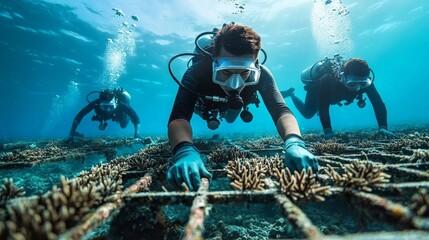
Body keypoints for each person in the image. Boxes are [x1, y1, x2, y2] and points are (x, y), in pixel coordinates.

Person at [167, 23, 318, 191]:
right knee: (208, 112)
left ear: (255, 64)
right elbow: (179, 116)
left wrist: (294, 142)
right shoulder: (196, 72)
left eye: (245, 73)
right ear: (214, 62)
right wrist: (184, 150)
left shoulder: (263, 74)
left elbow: (281, 110)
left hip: (236, 104)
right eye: (225, 73)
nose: (234, 85)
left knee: (231, 119)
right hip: (205, 103)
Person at [281, 54, 397, 140]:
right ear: (343, 77)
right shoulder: (326, 80)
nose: (357, 88)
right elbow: (323, 107)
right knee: (307, 114)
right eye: (352, 83)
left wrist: (383, 127)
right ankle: (292, 94)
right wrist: (328, 132)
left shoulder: (364, 81)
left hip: (334, 96)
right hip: (318, 91)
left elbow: (378, 103)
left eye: (362, 84)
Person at [66, 87, 140, 141]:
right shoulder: (96, 103)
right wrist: (71, 134)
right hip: (105, 116)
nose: (108, 110)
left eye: (111, 107)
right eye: (104, 106)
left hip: (119, 114)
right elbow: (80, 115)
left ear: (115, 103)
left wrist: (137, 133)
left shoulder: (121, 105)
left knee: (123, 125)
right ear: (100, 103)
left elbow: (136, 117)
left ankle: (127, 116)